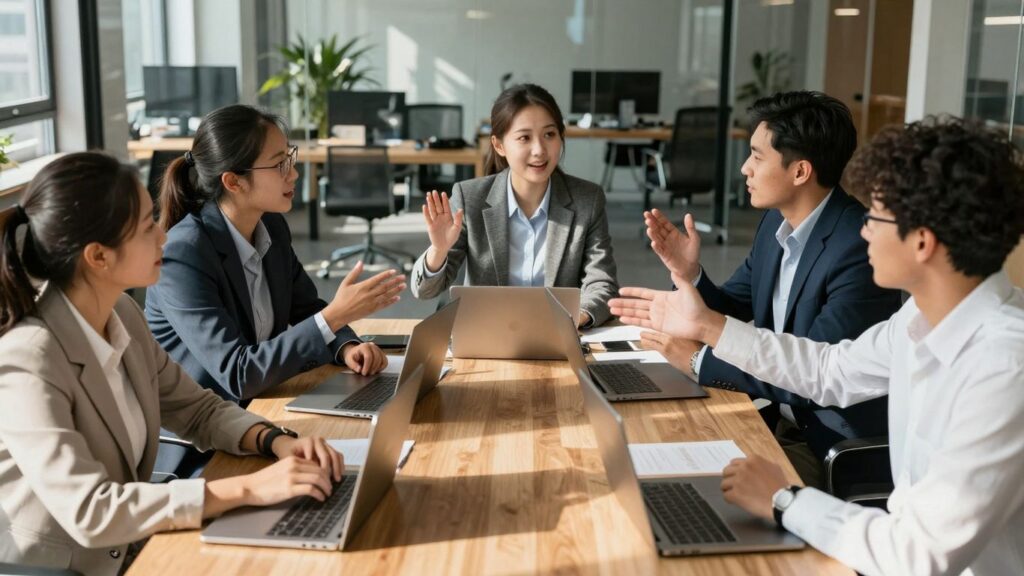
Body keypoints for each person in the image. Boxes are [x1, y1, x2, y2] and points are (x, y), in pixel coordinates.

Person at [610, 117, 1024, 575]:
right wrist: (709, 326)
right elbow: (829, 371)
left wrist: (786, 499)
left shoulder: (1006, 367)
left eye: (876, 216)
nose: (863, 229)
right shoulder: (921, 316)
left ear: (923, 241)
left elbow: (919, 553)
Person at [0, 152, 346, 576]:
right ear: (98, 256)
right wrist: (250, 487)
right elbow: (90, 511)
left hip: (134, 543)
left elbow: (196, 408)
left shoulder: (122, 315)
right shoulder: (27, 359)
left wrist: (275, 441)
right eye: (148, 226)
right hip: (62, 569)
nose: (163, 237)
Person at [639, 91, 901, 488]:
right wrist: (689, 273)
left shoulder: (857, 248)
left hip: (830, 446)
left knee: (696, 484)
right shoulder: (774, 227)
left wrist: (699, 362)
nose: (744, 168)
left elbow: (809, 375)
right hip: (781, 422)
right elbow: (733, 305)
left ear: (800, 172)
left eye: (757, 157)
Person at [146, 104, 405, 406]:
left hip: (263, 406)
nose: (294, 174)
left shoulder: (270, 225)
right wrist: (335, 315)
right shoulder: (183, 256)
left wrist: (346, 346)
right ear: (234, 182)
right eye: (279, 164)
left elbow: (306, 307)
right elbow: (239, 374)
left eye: (289, 158)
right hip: (209, 435)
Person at [409, 83, 619, 327]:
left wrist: (576, 317)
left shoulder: (587, 200)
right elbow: (424, 291)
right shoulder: (470, 198)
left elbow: (602, 283)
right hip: (487, 335)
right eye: (524, 138)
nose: (539, 150)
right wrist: (438, 250)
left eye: (549, 134)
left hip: (558, 337)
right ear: (499, 145)